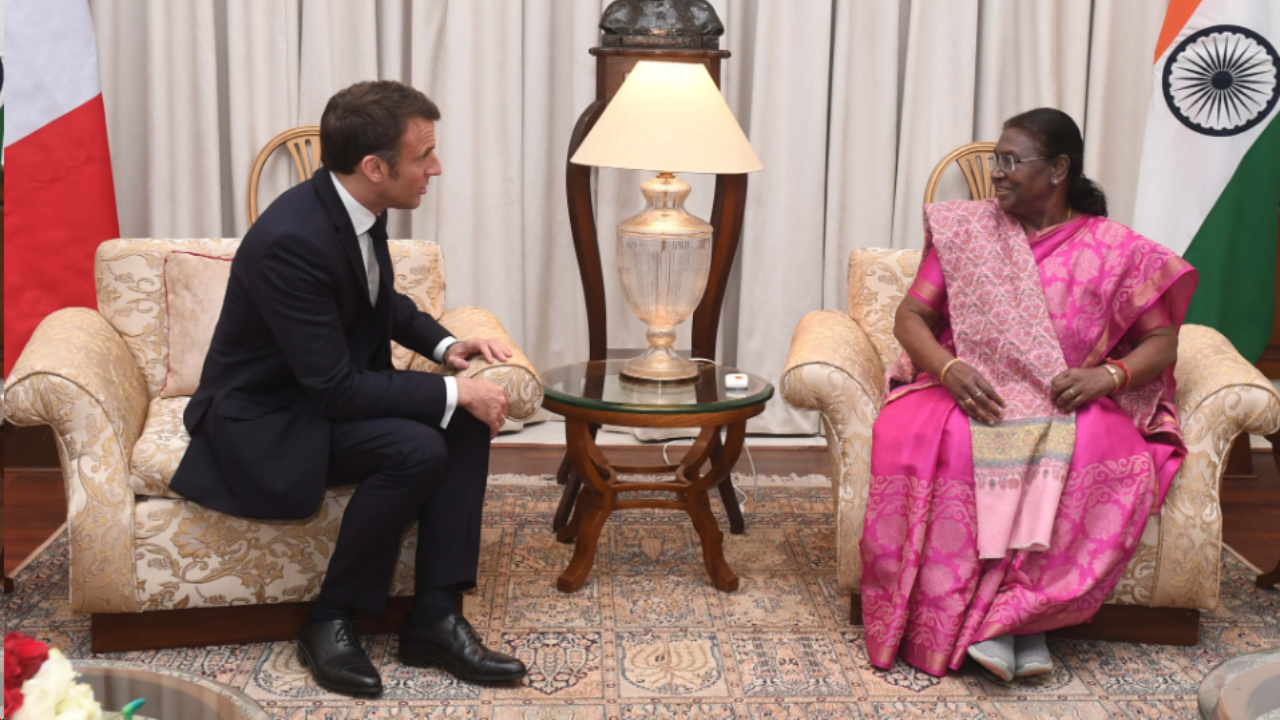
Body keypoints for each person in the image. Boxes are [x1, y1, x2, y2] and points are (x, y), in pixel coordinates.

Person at [170, 80, 527, 694]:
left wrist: (447, 347)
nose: (435, 169)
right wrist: (454, 391)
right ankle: (329, 619)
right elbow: (335, 388)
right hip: (265, 421)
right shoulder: (293, 240)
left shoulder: (353, 208)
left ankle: (435, 619)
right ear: (374, 166)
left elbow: (377, 299)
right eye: (424, 157)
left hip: (313, 400)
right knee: (419, 446)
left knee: (462, 422)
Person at [860, 108, 1197, 681]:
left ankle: (1022, 619)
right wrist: (947, 368)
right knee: (954, 442)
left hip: (1065, 396)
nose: (997, 174)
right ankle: (995, 624)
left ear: (1059, 169)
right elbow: (911, 315)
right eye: (997, 161)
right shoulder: (967, 232)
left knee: (1099, 449)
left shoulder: (1116, 249)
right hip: (972, 389)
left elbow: (1161, 342)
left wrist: (1108, 377)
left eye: (1011, 162)